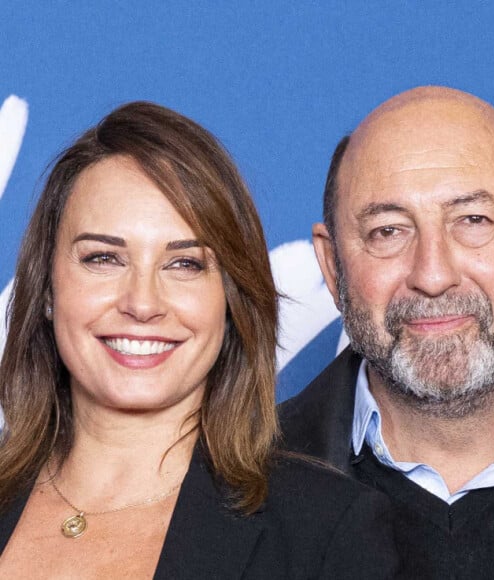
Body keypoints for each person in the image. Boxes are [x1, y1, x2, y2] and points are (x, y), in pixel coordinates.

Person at [0, 101, 398, 579]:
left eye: (184, 264)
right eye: (103, 258)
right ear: (46, 288)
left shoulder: (326, 534)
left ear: (231, 300)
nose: (142, 303)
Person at [280, 86, 494, 579]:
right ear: (332, 266)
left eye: (472, 220)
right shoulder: (235, 492)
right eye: (388, 231)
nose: (433, 274)